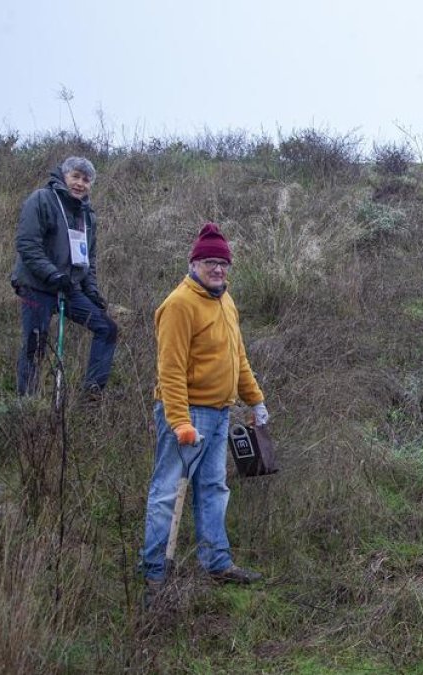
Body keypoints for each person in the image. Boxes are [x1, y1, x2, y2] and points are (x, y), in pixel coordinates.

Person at [141, 223, 269, 604]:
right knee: (168, 492)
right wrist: (179, 422)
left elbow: (238, 357)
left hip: (219, 413)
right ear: (194, 263)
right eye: (210, 262)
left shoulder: (225, 300)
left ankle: (216, 562)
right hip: (188, 415)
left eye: (223, 263)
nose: (217, 269)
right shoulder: (180, 304)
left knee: (214, 488)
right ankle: (154, 573)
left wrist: (255, 399)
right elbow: (171, 370)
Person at [10, 156, 117, 396]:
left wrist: (91, 290)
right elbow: (27, 245)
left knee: (106, 328)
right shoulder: (41, 200)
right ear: (63, 176)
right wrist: (53, 274)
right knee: (35, 345)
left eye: (86, 180)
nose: (80, 183)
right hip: (36, 285)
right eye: (75, 177)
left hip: (69, 288)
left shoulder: (87, 215)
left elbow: (88, 258)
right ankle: (28, 404)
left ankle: (91, 393)